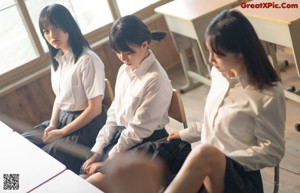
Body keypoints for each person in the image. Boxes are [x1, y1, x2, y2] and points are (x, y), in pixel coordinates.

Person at [103, 9, 286, 193]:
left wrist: (223, 158)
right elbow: (213, 122)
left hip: (240, 177)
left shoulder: (267, 94)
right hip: (207, 167)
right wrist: (186, 134)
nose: (210, 60)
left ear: (240, 52)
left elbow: (273, 152)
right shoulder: (219, 75)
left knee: (204, 153)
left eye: (217, 54)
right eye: (209, 51)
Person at [80, 15, 173, 191]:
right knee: (82, 177)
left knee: (92, 184)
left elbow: (138, 130)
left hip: (148, 144)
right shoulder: (125, 70)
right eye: (117, 52)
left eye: (128, 52)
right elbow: (114, 114)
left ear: (145, 45)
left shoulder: (155, 79)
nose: (122, 58)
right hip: (124, 139)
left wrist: (108, 160)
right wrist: (98, 149)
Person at [22, 4, 107, 174]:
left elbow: (95, 108)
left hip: (87, 125)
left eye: (56, 27)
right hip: (63, 119)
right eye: (46, 31)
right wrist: (53, 124)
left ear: (68, 25)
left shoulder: (87, 60)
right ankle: (10, 187)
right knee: (24, 144)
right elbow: (60, 97)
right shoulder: (58, 59)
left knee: (44, 158)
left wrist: (62, 132)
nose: (52, 35)